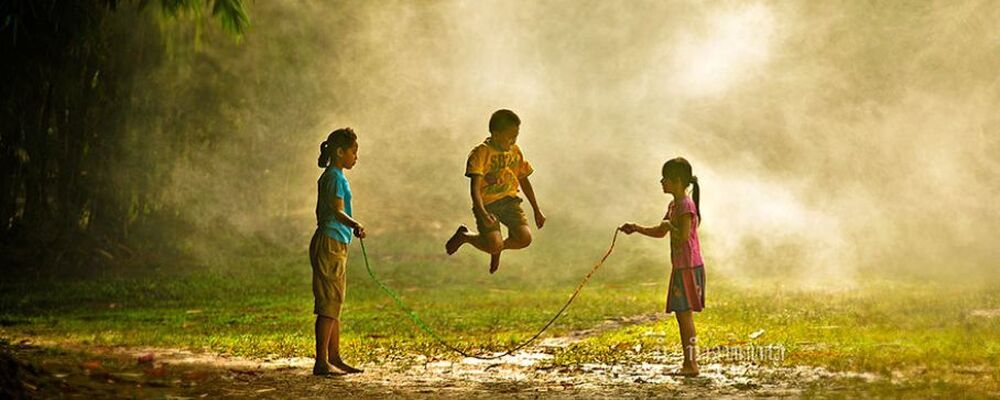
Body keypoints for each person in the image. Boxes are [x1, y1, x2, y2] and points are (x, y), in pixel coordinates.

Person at [620, 157, 704, 377]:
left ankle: (691, 364)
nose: (661, 182)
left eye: (664, 178)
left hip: (687, 266)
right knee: (682, 314)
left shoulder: (685, 205)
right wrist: (636, 228)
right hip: (681, 266)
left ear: (676, 181)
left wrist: (669, 225)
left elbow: (683, 237)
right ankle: (690, 362)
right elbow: (661, 231)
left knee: (684, 315)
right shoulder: (674, 205)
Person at [445, 109, 546, 273]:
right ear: (496, 134)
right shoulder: (481, 153)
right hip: (488, 204)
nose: (514, 141)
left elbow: (523, 179)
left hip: (510, 202)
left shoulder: (514, 151)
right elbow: (475, 189)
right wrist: (483, 214)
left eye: (516, 136)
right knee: (493, 244)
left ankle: (497, 248)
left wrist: (536, 209)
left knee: (525, 238)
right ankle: (465, 236)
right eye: (510, 136)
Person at [311, 127, 365, 376]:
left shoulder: (336, 176)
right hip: (330, 242)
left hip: (337, 243)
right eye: (353, 151)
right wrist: (355, 224)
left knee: (334, 302)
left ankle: (334, 357)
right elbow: (336, 211)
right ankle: (321, 361)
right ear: (340, 152)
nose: (356, 156)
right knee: (328, 303)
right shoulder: (334, 177)